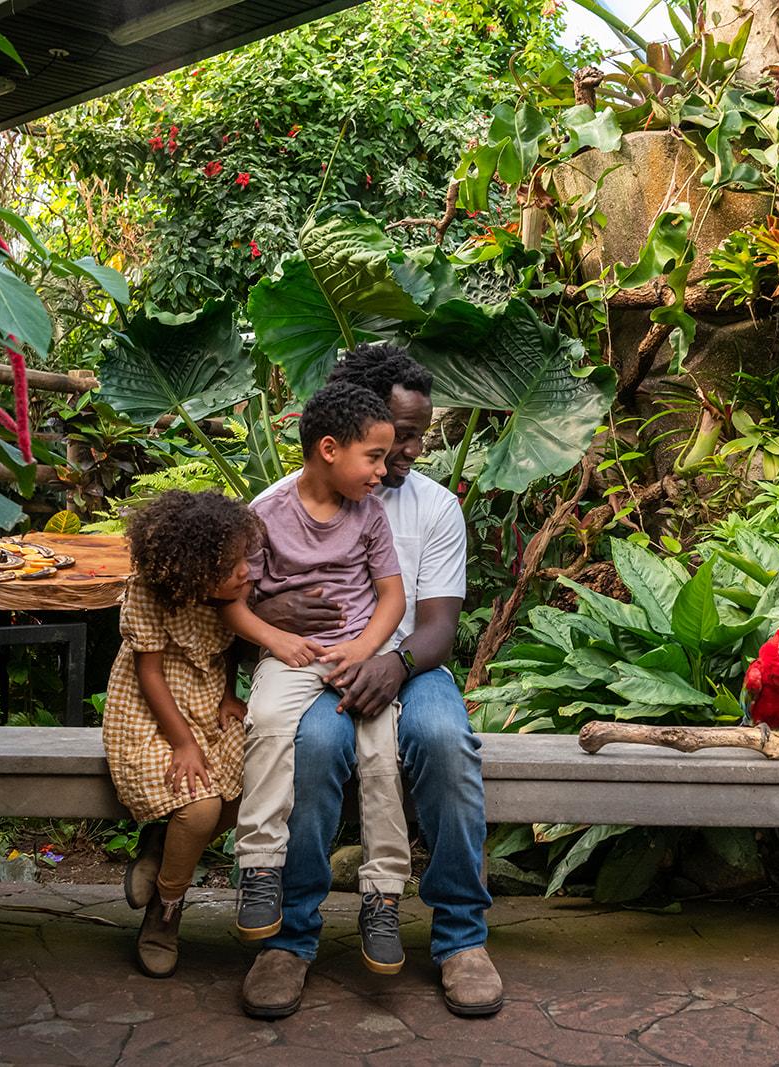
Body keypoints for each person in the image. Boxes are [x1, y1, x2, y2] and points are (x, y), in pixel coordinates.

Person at [241, 343, 501, 1021]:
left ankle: (461, 939)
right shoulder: (278, 505)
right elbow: (235, 596)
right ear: (353, 428)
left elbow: (440, 623)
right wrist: (273, 612)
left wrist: (394, 664)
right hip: (325, 666)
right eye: (398, 434)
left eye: (415, 435)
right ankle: (287, 941)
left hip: (412, 666)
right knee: (317, 745)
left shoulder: (435, 507)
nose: (410, 450)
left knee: (445, 739)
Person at [218, 381, 413, 976]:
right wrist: (277, 641)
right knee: (271, 721)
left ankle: (382, 893)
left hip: (355, 654)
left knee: (381, 752)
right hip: (291, 654)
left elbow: (392, 598)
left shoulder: (370, 516)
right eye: (374, 456)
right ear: (329, 449)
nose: (383, 471)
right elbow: (233, 602)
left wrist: (363, 650)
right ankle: (259, 868)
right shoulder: (265, 516)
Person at [103, 490, 256, 979]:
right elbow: (149, 674)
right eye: (231, 566)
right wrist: (184, 743)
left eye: (245, 560)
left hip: (207, 696)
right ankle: (166, 913)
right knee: (200, 803)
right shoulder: (151, 591)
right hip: (151, 710)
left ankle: (158, 848)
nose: (245, 572)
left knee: (251, 787)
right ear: (192, 569)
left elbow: (229, 646)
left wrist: (231, 694)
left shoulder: (235, 590)